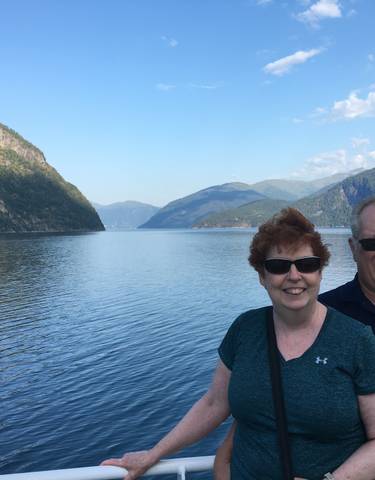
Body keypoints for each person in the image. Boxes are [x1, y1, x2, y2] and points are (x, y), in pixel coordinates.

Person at [102, 208, 375, 480]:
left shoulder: (355, 339)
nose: (294, 276)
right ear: (262, 276)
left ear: (319, 272)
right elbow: (213, 404)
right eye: (279, 266)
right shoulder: (246, 329)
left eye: (306, 264)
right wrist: (154, 454)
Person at [214, 197, 375, 480]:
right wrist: (223, 462)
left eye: (307, 264)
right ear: (353, 248)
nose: (294, 276)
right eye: (372, 243)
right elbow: (268, 402)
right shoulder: (328, 318)